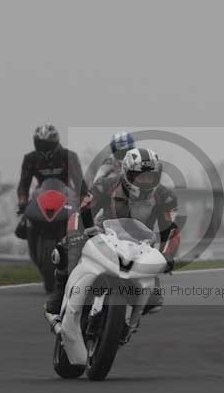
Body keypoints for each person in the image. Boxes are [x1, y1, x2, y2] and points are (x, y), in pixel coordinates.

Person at [45, 147, 180, 323]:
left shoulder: (166, 196)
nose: (146, 181)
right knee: (68, 247)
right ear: (127, 174)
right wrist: (76, 234)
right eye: (140, 176)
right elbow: (81, 212)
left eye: (151, 176)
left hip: (141, 246)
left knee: (153, 302)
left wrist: (167, 255)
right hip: (103, 236)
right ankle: (59, 294)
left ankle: (129, 323)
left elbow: (172, 230)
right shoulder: (105, 185)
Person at [15, 124, 88, 243]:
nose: (44, 147)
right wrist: (22, 201)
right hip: (40, 195)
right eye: (41, 143)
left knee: (86, 222)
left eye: (47, 144)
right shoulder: (30, 158)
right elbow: (24, 183)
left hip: (67, 194)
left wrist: (83, 198)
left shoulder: (68, 156)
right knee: (21, 229)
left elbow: (78, 179)